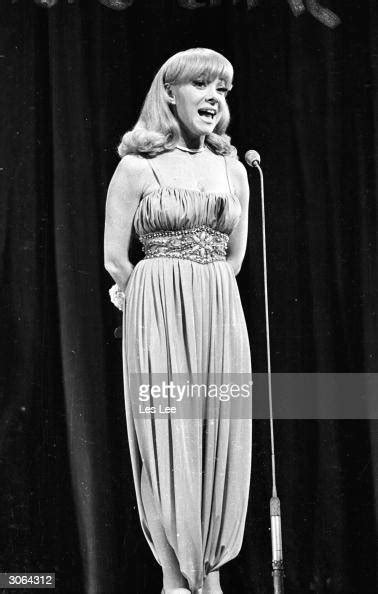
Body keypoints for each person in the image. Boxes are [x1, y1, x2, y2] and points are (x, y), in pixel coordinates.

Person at [104, 48, 252, 594]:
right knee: (169, 437)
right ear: (169, 92)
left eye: (224, 89)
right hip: (158, 318)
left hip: (218, 312)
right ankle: (174, 579)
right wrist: (158, 293)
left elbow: (235, 258)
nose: (215, 98)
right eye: (203, 85)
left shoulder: (233, 168)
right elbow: (115, 258)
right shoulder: (136, 167)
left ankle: (209, 576)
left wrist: (205, 291)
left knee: (218, 434)